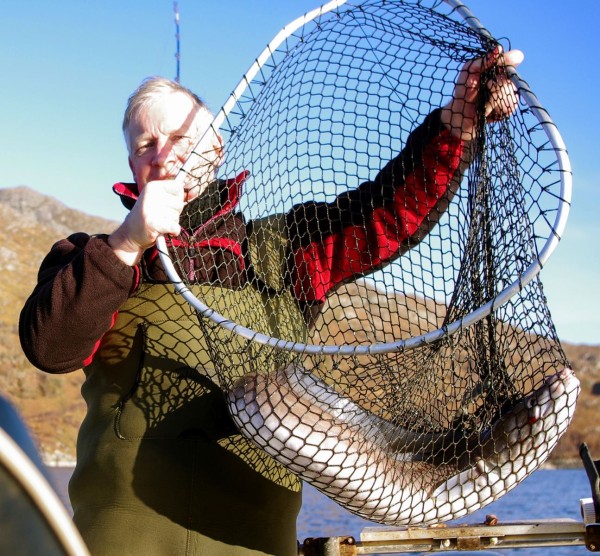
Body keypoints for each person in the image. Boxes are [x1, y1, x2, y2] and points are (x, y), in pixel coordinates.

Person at [19, 47, 523, 555]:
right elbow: (52, 347)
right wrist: (128, 242)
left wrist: (455, 125)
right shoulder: (89, 259)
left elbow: (387, 214)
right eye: (146, 144)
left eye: (178, 138)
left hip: (253, 544)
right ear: (133, 165)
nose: (163, 154)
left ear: (215, 149)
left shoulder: (287, 250)